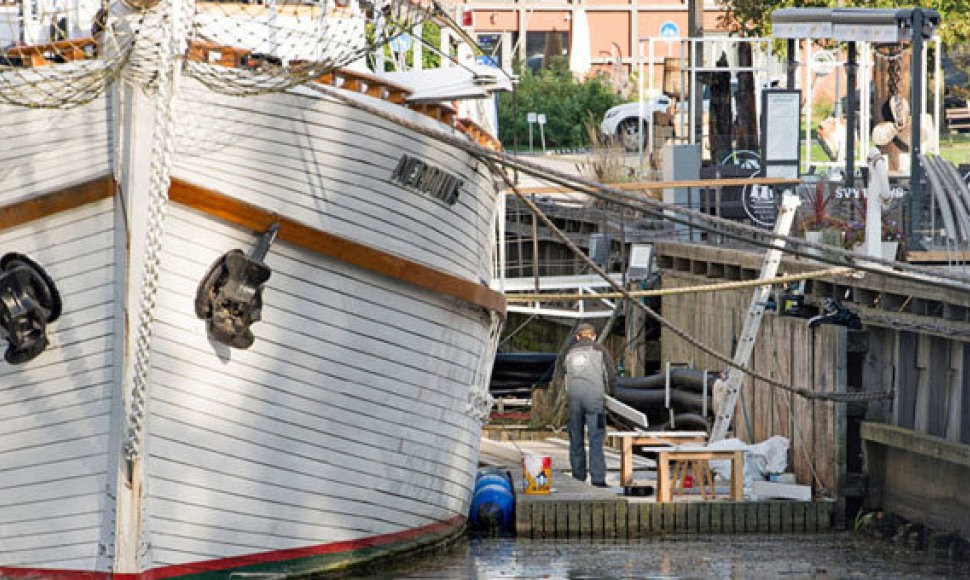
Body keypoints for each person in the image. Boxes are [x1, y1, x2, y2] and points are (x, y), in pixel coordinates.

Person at [557, 323, 617, 487]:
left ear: (577, 337)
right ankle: (597, 479)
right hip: (594, 400)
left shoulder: (568, 352)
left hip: (574, 400)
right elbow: (610, 375)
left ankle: (578, 478)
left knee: (576, 438)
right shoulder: (600, 350)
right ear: (593, 336)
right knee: (596, 439)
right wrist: (611, 396)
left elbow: (562, 375)